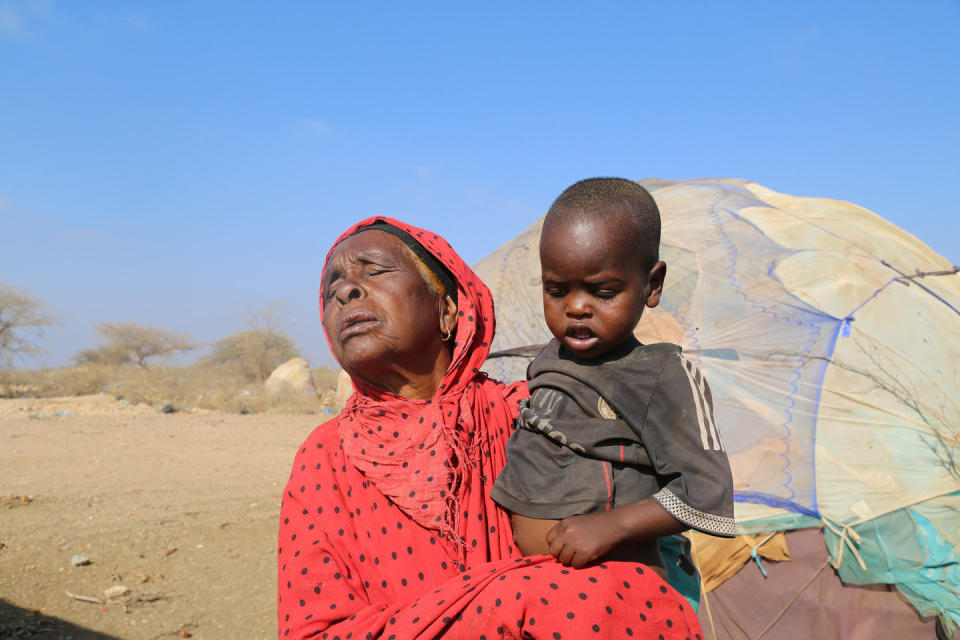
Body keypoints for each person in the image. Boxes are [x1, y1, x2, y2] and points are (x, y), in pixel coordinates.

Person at [278, 216, 704, 639]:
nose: (344, 290)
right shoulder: (326, 457)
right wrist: (508, 600)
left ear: (447, 310)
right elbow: (314, 632)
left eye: (374, 270)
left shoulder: (540, 413)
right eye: (331, 288)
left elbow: (633, 572)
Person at [491, 178, 735, 575]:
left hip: (613, 589)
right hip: (529, 585)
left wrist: (613, 525)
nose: (576, 308)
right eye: (556, 290)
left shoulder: (660, 378)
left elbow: (706, 493)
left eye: (602, 292)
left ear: (651, 285)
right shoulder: (549, 359)